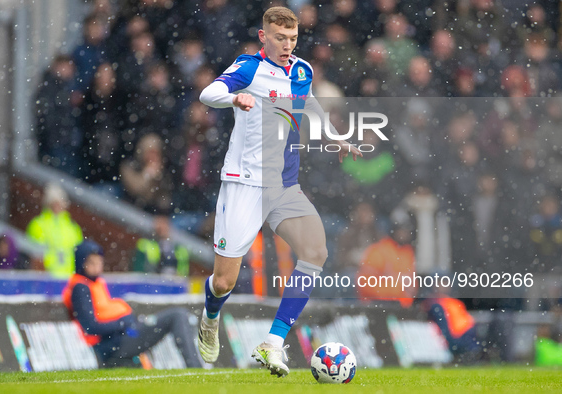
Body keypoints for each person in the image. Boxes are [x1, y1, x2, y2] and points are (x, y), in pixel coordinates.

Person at [197, 6, 361, 377]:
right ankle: (210, 316)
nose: (287, 45)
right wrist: (233, 98)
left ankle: (272, 342)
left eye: (292, 39)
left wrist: (335, 137)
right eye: (280, 38)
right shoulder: (249, 68)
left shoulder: (303, 70)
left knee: (316, 251)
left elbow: (308, 104)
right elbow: (210, 93)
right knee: (224, 281)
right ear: (263, 37)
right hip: (244, 182)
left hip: (283, 185)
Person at [62, 240, 201, 368]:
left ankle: (194, 365)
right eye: (91, 263)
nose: (97, 267)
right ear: (81, 263)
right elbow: (90, 327)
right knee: (177, 315)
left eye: (99, 262)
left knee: (177, 315)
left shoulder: (94, 283)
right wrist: (123, 324)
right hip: (112, 344)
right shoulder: (80, 287)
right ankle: (195, 367)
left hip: (121, 337)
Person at [26, 183, 83, 278]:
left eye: (59, 202)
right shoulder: (38, 224)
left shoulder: (72, 227)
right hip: (46, 279)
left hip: (68, 277)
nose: (57, 206)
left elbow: (79, 254)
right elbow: (35, 255)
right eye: (54, 202)